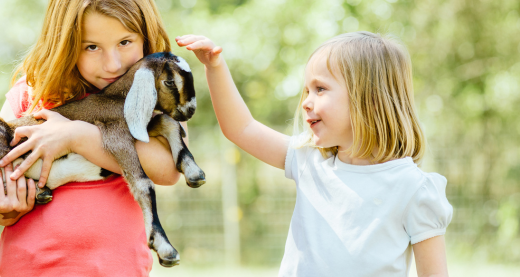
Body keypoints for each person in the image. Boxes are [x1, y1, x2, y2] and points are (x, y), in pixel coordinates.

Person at [176, 31, 453, 276]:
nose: (306, 102)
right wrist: (215, 67)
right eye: (307, 90)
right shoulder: (310, 160)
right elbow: (242, 128)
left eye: (320, 89)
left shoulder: (414, 189)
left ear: (367, 97)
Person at [0, 0, 184, 276]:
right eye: (91, 47)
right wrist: (1, 210)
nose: (112, 63)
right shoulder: (31, 94)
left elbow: (169, 169)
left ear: (146, 35)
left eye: (125, 42)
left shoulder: (149, 95)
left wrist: (76, 136)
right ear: (66, 44)